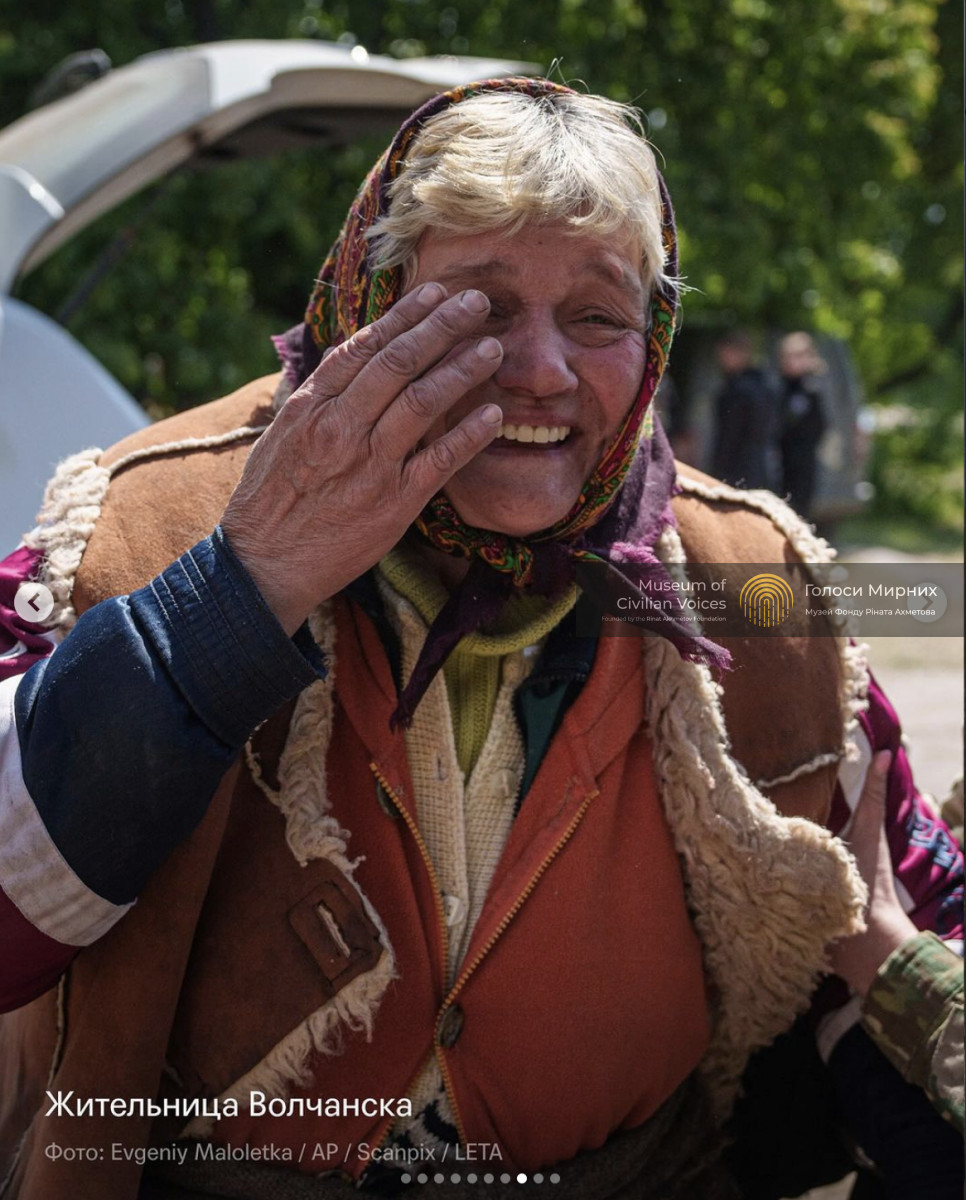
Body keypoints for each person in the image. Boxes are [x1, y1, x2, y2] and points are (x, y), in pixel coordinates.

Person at [0, 80, 961, 1200]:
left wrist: (898, 968)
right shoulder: (145, 526)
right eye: (479, 307)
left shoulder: (748, 573)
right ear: (369, 302)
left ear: (652, 338)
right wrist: (241, 590)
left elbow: (898, 912)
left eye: (598, 316)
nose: (542, 370)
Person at [709, 329, 774, 490]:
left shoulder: (739, 390)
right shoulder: (761, 385)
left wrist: (719, 472)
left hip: (738, 471)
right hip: (758, 468)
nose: (721, 358)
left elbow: (730, 436)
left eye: (726, 353)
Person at [777, 330, 829, 519]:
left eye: (797, 356)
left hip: (800, 466)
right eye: (787, 356)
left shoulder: (810, 390)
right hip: (780, 464)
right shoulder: (782, 386)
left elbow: (818, 428)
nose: (791, 361)